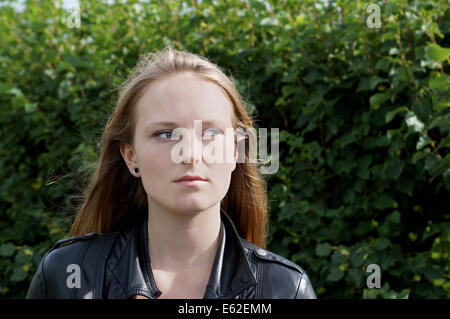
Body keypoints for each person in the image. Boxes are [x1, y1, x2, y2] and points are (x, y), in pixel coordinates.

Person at [26, 46, 317, 299]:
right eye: (166, 134)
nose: (190, 153)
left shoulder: (285, 289)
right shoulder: (67, 275)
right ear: (131, 157)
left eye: (210, 132)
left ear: (235, 151)